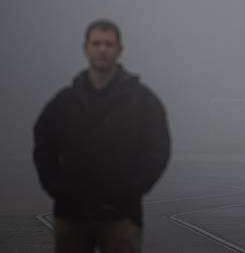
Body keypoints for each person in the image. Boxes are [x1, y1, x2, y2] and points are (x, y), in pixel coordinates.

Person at [33, 19, 171, 253]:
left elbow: (158, 149)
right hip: (71, 215)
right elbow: (43, 145)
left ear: (119, 50)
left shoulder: (142, 100)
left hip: (121, 217)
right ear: (85, 48)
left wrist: (131, 191)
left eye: (109, 44)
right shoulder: (64, 101)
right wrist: (56, 187)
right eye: (96, 43)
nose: (102, 50)